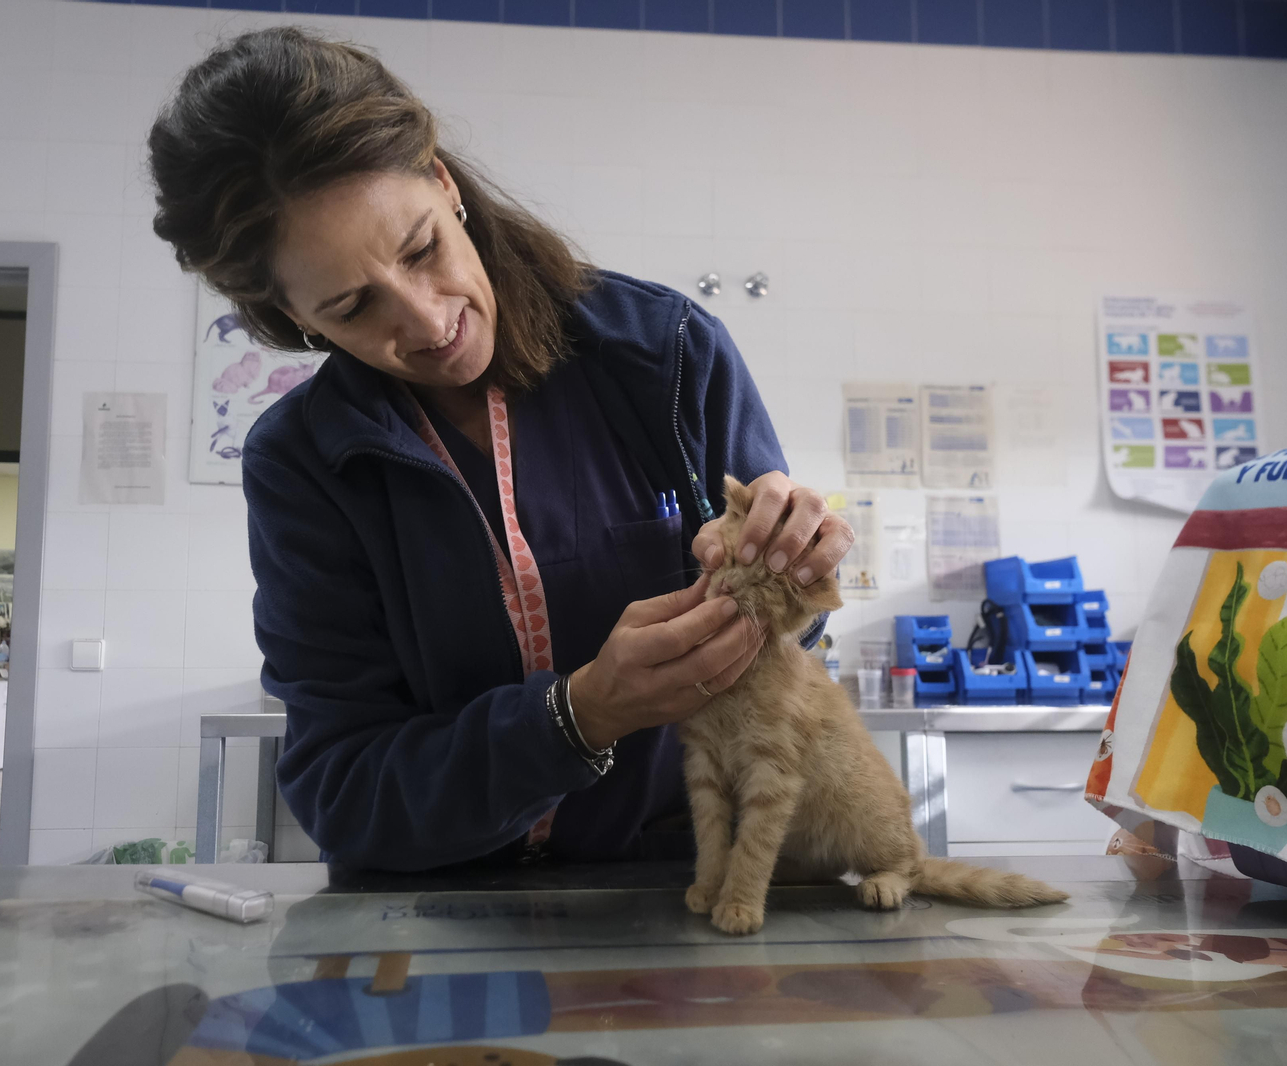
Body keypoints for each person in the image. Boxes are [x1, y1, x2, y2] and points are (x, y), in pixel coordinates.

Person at [147, 27, 854, 871]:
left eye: (422, 249)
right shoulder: (306, 461)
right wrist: (578, 718)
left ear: (444, 183)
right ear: (293, 315)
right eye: (352, 306)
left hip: (682, 880)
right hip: (440, 914)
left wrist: (791, 567)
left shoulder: (662, 355)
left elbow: (793, 637)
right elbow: (343, 791)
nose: (428, 320)